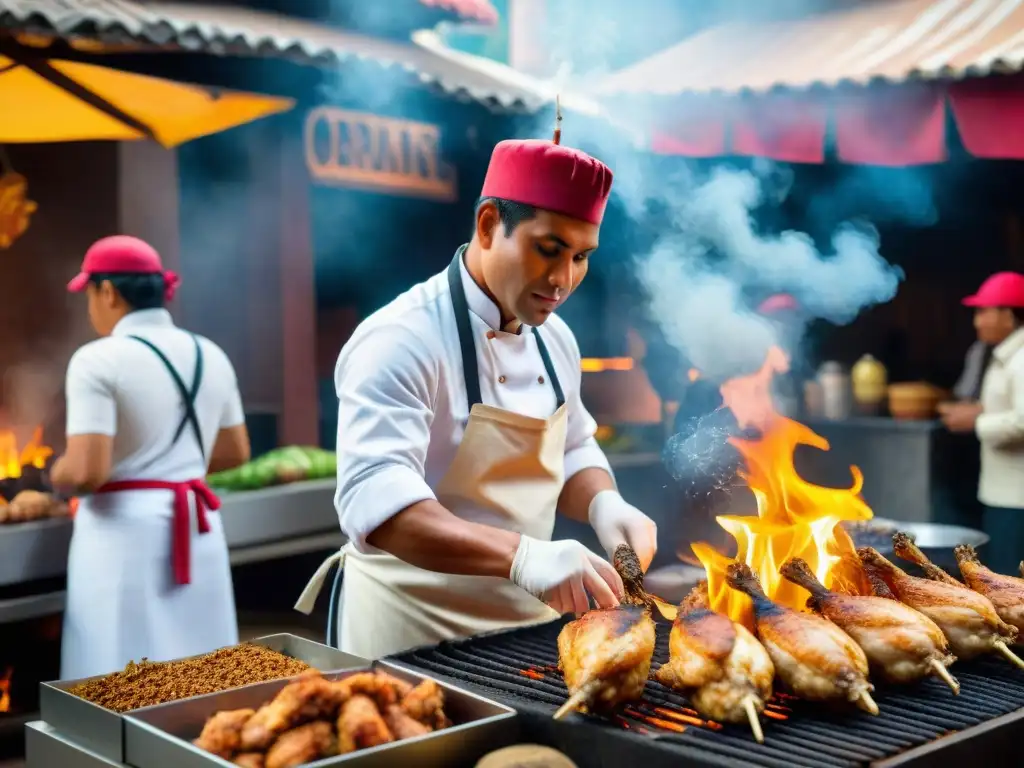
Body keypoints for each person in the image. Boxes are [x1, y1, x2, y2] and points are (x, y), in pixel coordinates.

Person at [295, 133, 658, 659]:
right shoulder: (401, 339)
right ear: (489, 224)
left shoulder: (556, 337)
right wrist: (522, 557)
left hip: (528, 634)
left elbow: (574, 445)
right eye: (548, 249)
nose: (563, 280)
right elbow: (379, 505)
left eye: (581, 257)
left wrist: (605, 501)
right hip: (412, 633)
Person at [52, 235, 251, 680]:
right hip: (199, 528)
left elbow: (86, 471)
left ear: (108, 292)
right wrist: (169, 471)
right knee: (202, 671)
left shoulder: (96, 360)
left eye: (89, 294)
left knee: (115, 675)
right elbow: (235, 452)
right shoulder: (211, 354)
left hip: (122, 538)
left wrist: (55, 474)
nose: (89, 307)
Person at [939, 272, 1024, 574]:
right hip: (1001, 493)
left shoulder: (1021, 358)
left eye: (984, 312)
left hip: (1016, 499)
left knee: (1010, 584)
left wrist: (976, 422)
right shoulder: (1002, 355)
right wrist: (976, 410)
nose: (977, 321)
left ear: (1010, 314)